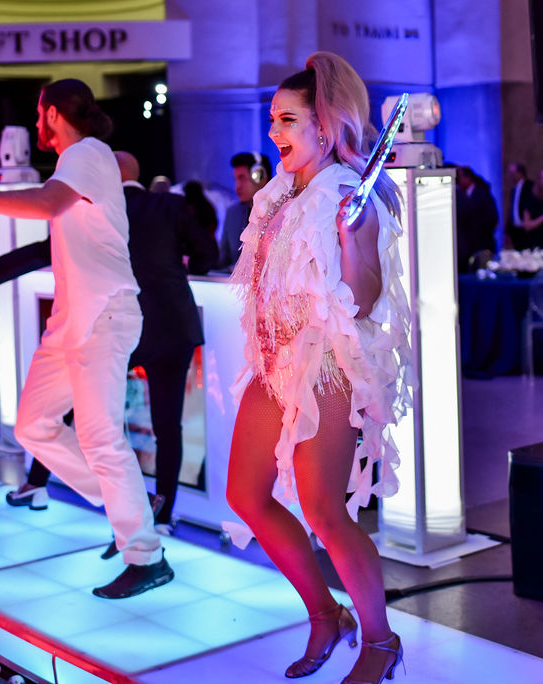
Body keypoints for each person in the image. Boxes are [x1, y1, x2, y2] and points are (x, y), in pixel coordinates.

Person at [0, 79, 172, 599]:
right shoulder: (77, 164)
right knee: (33, 425)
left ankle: (145, 555)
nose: (36, 125)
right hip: (72, 320)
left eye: (39, 115)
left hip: (103, 315)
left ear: (54, 113)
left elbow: (45, 204)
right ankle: (129, 505)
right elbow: (49, 228)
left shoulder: (87, 153)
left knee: (101, 439)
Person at [225, 53, 412, 684]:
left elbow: (363, 297)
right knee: (244, 495)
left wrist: (352, 237)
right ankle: (325, 614)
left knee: (326, 512)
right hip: (273, 365)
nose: (273, 131)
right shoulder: (281, 192)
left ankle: (381, 642)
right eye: (272, 118)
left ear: (325, 128)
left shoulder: (346, 195)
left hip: (325, 364)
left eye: (288, 119)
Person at [0, 151, 218, 538]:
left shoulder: (93, 208)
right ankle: (162, 517)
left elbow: (41, 252)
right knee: (167, 426)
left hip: (117, 323)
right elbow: (209, 255)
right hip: (172, 325)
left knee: (72, 406)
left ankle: (38, 482)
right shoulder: (170, 206)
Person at [219, 151, 272, 269]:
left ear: (260, 177)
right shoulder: (232, 213)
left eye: (242, 179)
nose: (237, 186)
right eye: (236, 180)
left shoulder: (282, 213)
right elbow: (223, 260)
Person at [455, 165, 499, 272]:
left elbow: (492, 219)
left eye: (459, 177)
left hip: (481, 244)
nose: (457, 181)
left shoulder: (483, 195)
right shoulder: (458, 195)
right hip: (464, 248)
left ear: (468, 178)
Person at [505, 162, 532, 250]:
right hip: (515, 230)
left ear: (520, 173)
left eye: (512, 173)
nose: (510, 176)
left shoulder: (530, 186)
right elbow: (512, 209)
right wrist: (508, 231)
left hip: (526, 229)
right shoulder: (514, 189)